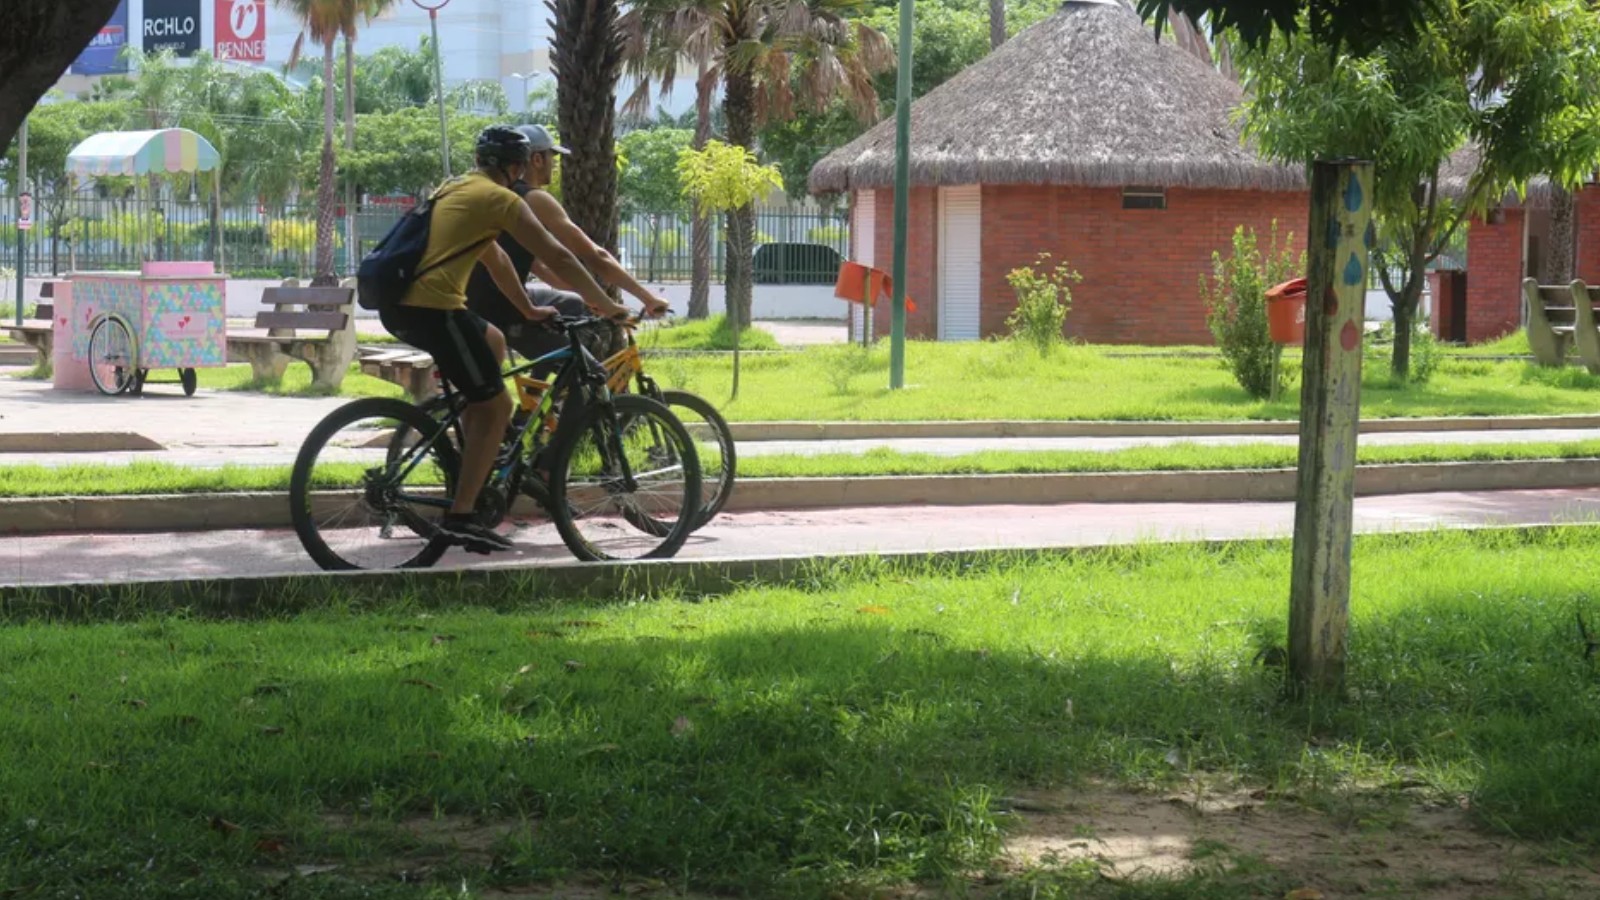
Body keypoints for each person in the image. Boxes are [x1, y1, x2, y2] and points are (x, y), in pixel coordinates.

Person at [380, 125, 616, 555]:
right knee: (499, 403)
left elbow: (497, 256)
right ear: (516, 166)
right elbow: (559, 255)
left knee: (491, 343)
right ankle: (462, 516)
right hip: (430, 308)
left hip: (414, 303)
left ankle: (477, 452)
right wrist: (607, 303)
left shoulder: (461, 187)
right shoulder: (500, 199)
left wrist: (527, 310)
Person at [464, 123, 669, 373]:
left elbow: (539, 267)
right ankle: (570, 394)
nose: (555, 163)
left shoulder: (500, 194)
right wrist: (646, 298)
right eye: (553, 156)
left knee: (573, 306)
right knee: (589, 378)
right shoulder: (534, 199)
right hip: (503, 309)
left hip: (483, 297)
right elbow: (594, 255)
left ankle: (537, 396)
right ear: (537, 159)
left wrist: (589, 295)